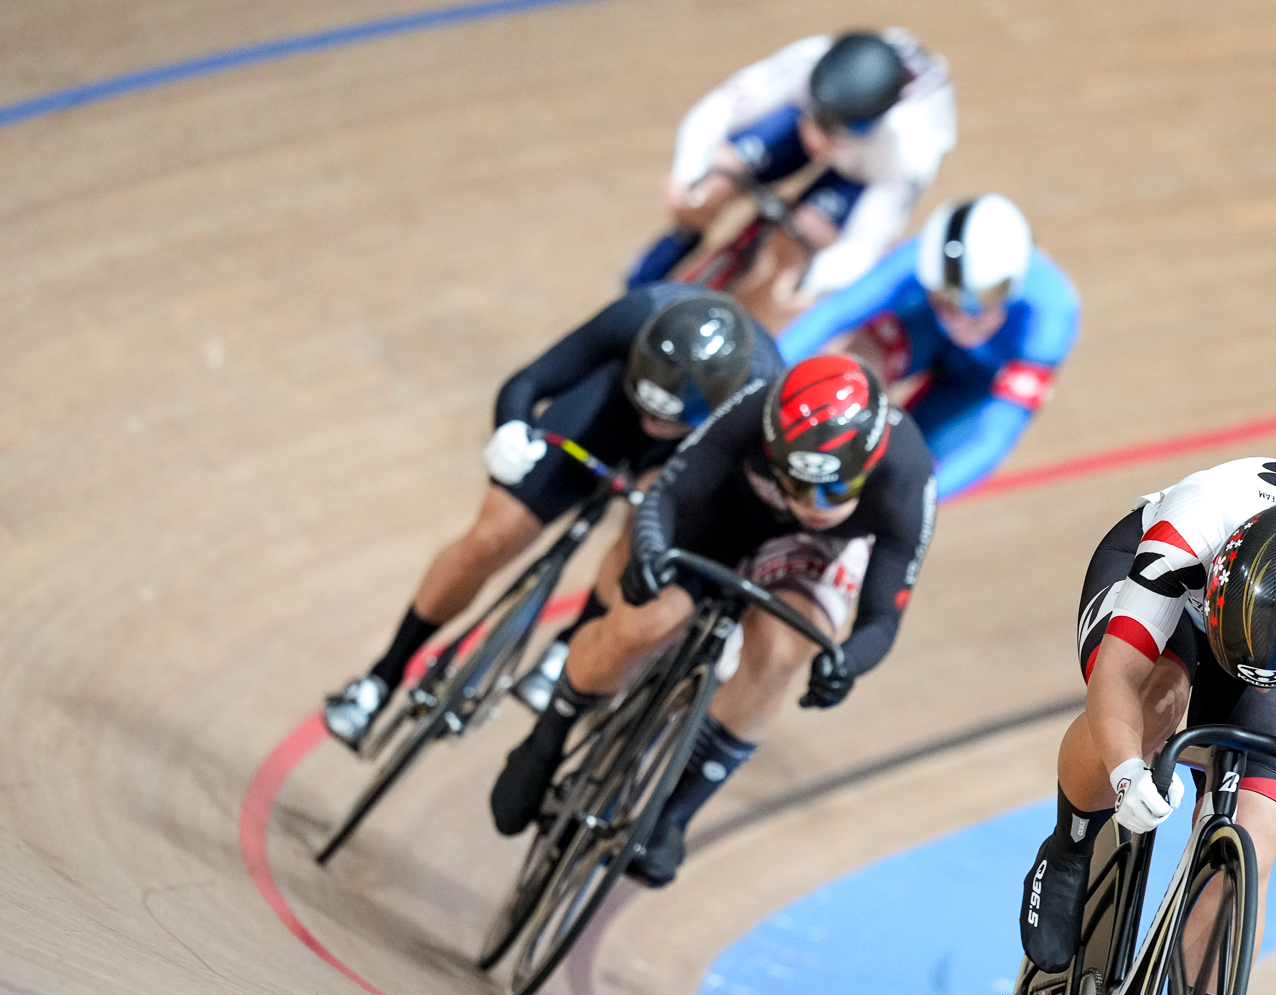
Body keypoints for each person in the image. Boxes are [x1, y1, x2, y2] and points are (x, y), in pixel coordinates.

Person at [487, 354, 937, 886]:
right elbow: (669, 494)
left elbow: (884, 615)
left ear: (868, 467)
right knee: (647, 622)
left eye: (834, 491)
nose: (812, 504)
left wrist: (847, 663)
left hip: (817, 551)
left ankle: (674, 817)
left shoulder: (908, 473)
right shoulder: (753, 412)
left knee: (780, 651)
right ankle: (547, 737)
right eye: (795, 484)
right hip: (727, 511)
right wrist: (650, 551)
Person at [322, 289, 784, 749]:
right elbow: (529, 381)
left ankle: (569, 642)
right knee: (492, 536)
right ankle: (382, 677)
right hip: (611, 407)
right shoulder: (635, 317)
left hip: (689, 453)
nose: (653, 424)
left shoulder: (758, 401)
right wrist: (510, 429)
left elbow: (739, 515)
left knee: (648, 520)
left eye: (666, 419)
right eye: (651, 411)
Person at [1019, 456, 1276, 975]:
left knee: (1255, 840)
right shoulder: (1188, 533)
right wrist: (1125, 772)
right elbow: (1115, 675)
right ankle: (1069, 844)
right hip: (1174, 595)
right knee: (1159, 699)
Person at [623, 29, 956, 334]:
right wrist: (688, 174)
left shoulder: (908, 150)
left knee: (793, 263)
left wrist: (811, 282)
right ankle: (684, 236)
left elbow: (862, 247)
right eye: (818, 120)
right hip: (827, 128)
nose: (820, 144)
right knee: (712, 178)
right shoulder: (808, 60)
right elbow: (719, 108)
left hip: (865, 170)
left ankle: (727, 332)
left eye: (837, 134)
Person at [775, 194, 1079, 499]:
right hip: (923, 331)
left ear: (1010, 286)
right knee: (849, 374)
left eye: (980, 306)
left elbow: (990, 442)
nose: (962, 320)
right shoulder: (916, 258)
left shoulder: (1050, 313)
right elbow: (835, 313)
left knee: (912, 470)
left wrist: (911, 504)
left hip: (981, 382)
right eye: (946, 301)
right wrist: (769, 379)